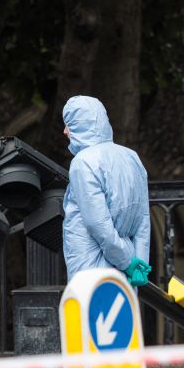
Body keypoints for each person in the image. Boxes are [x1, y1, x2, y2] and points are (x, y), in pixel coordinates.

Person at [61, 95, 151, 287]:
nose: (65, 131)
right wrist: (139, 263)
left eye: (68, 124)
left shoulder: (83, 162)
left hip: (90, 266)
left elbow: (97, 224)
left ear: (79, 124)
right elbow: (143, 218)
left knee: (89, 316)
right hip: (128, 268)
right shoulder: (131, 157)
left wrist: (127, 262)